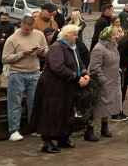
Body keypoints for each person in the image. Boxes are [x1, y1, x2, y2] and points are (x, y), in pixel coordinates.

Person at [30, 24, 88, 153]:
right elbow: (58, 68)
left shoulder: (73, 47)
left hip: (67, 86)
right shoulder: (57, 47)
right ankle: (47, 142)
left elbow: (80, 62)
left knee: (66, 112)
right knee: (51, 113)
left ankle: (63, 137)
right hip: (53, 86)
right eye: (74, 34)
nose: (76, 37)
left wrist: (84, 73)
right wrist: (77, 78)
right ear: (66, 36)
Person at [2, 16, 48, 142]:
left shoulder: (39, 35)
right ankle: (14, 130)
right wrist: (22, 53)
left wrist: (42, 51)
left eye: (31, 29)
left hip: (35, 72)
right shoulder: (12, 39)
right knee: (15, 103)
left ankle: (34, 127)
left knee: (35, 102)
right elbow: (5, 59)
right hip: (17, 73)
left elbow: (47, 52)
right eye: (27, 29)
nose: (29, 31)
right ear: (21, 25)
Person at [85, 26, 121, 141]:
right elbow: (95, 68)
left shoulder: (113, 47)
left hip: (113, 81)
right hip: (103, 83)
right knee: (98, 106)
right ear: (108, 36)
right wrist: (103, 80)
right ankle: (89, 130)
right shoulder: (99, 49)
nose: (116, 37)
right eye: (114, 35)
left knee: (109, 105)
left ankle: (104, 127)